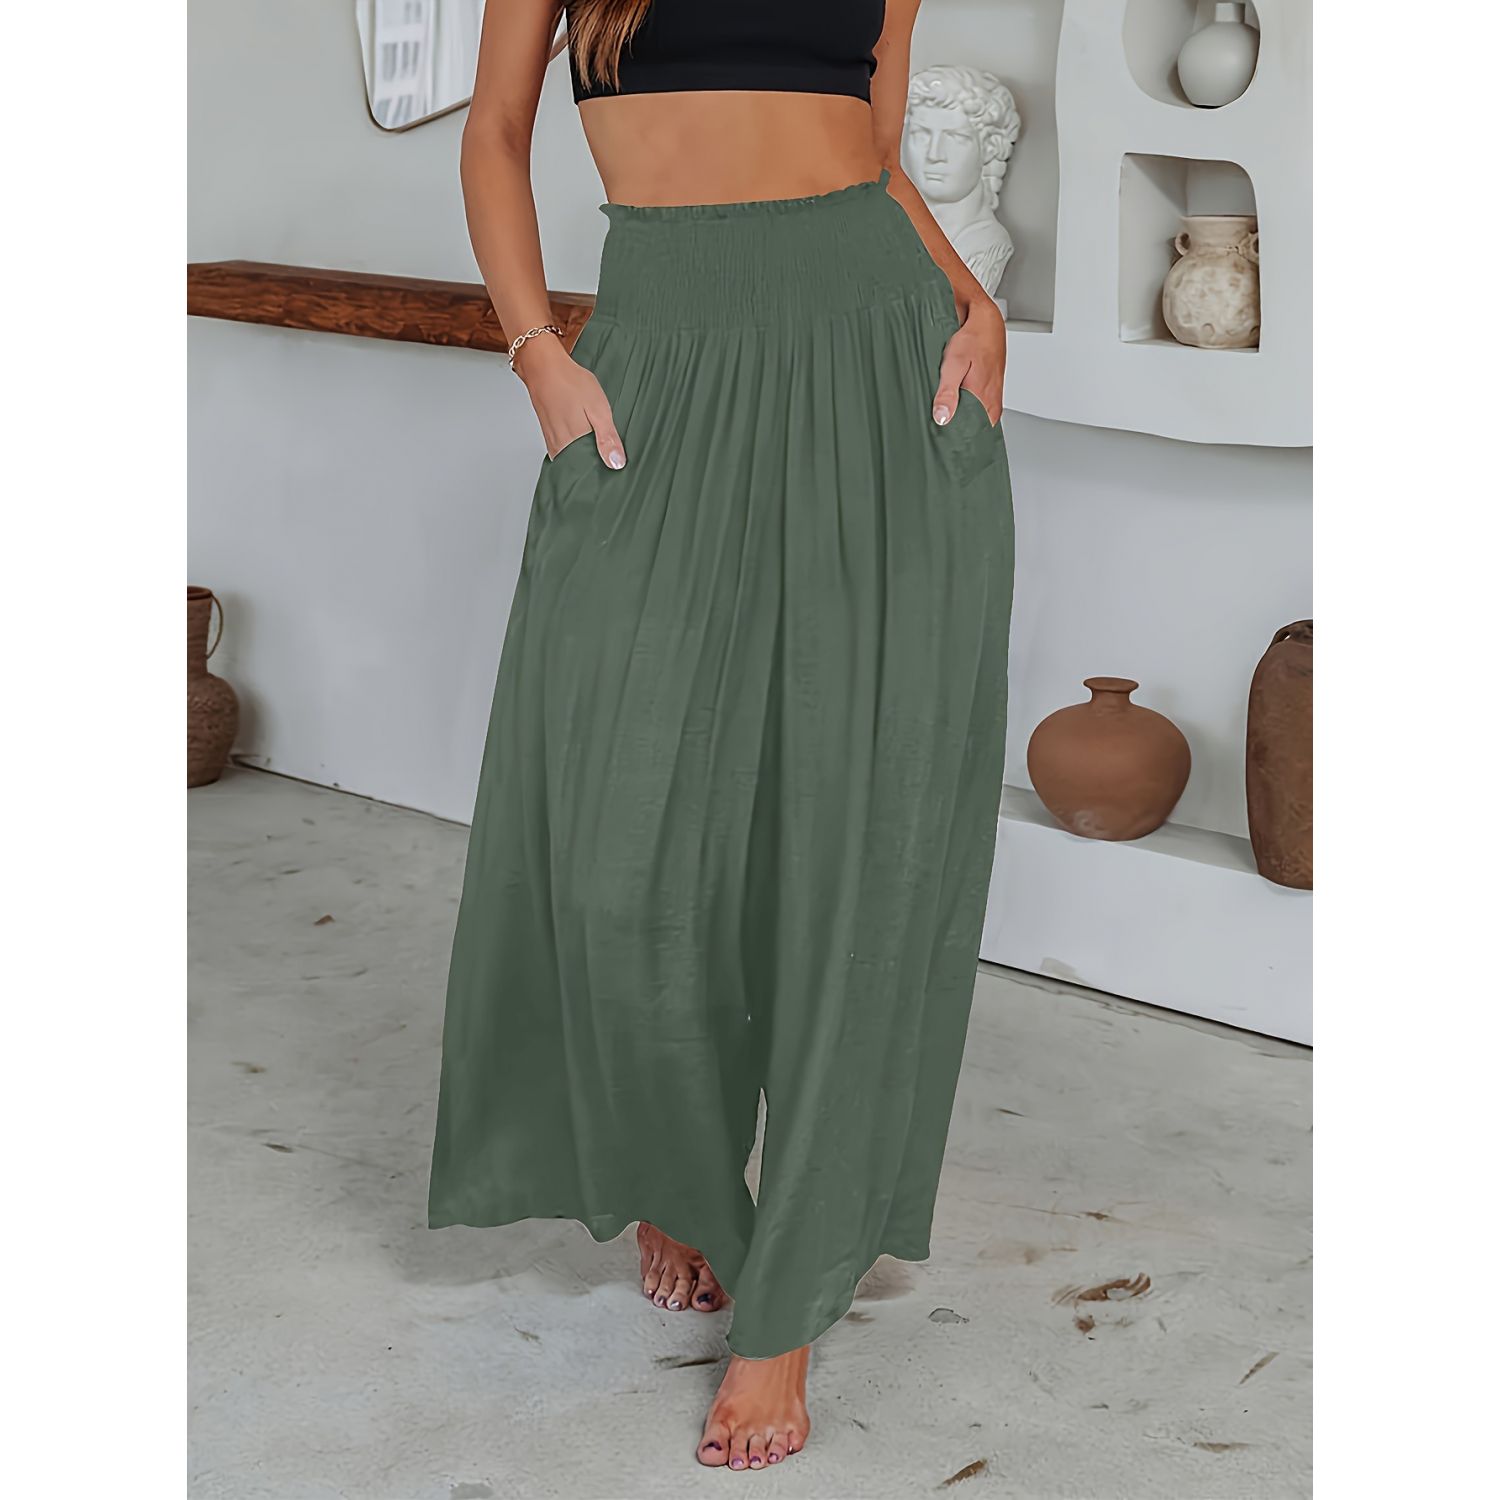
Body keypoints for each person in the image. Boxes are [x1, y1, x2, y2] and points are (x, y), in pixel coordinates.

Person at [428, 0, 1015, 1473]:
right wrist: (537, 351)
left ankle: (787, 1309)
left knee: (856, 851)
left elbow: (879, 156)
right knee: (619, 856)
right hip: (662, 351)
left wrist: (974, 303)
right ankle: (680, 1169)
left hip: (882, 352)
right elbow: (493, 131)